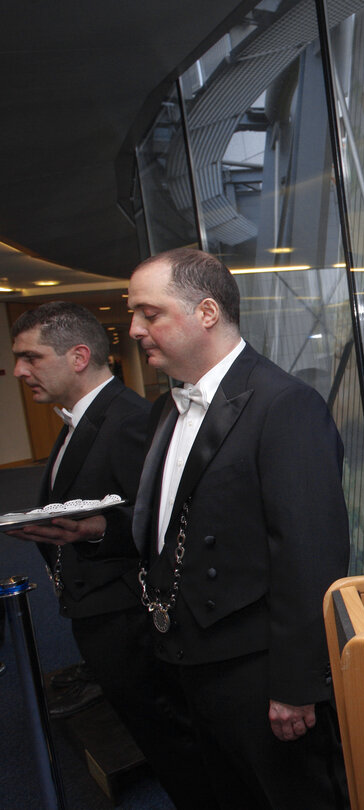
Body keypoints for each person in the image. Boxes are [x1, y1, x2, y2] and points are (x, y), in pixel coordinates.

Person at [127, 248, 350, 809]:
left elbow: (310, 556)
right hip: (186, 663)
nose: (134, 329)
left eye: (149, 314)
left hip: (258, 675)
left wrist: (298, 687)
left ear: (206, 312)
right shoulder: (163, 410)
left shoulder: (285, 405)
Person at [7, 301, 210, 807]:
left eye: (30, 357)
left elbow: (163, 522)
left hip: (134, 625)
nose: (18, 371)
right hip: (103, 616)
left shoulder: (128, 420)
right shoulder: (82, 419)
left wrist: (97, 531)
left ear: (78, 356)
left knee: (179, 750)